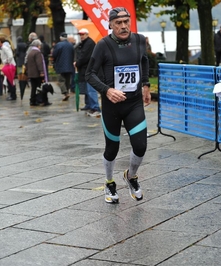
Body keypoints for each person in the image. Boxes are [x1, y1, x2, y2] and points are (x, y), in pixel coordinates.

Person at [86, 7, 151, 203]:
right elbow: (89, 74)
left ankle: (131, 176)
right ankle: (109, 182)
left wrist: (146, 84)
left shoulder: (139, 40)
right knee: (112, 149)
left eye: (126, 22)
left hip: (134, 103)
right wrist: (107, 90)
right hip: (112, 106)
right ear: (111, 25)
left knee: (140, 146)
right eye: (118, 23)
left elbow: (145, 61)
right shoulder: (103, 45)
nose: (123, 26)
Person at [75, 28, 101, 117]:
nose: (81, 36)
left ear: (87, 34)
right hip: (86, 69)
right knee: (87, 89)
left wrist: (77, 63)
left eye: (83, 34)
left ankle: (95, 107)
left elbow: (84, 56)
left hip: (89, 70)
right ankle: (90, 105)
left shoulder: (89, 43)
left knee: (91, 90)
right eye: (80, 35)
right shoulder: (85, 43)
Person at [52, 32, 74, 101]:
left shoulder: (58, 45)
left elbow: (54, 55)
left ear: (61, 38)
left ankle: (65, 93)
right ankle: (67, 92)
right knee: (67, 80)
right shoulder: (71, 45)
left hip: (60, 65)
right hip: (69, 66)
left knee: (61, 80)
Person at [25, 39, 47, 106]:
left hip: (31, 73)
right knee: (39, 87)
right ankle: (39, 100)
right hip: (37, 73)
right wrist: (41, 72)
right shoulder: (37, 52)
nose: (40, 46)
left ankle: (32, 100)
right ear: (38, 45)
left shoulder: (30, 52)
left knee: (33, 87)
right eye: (40, 45)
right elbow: (39, 63)